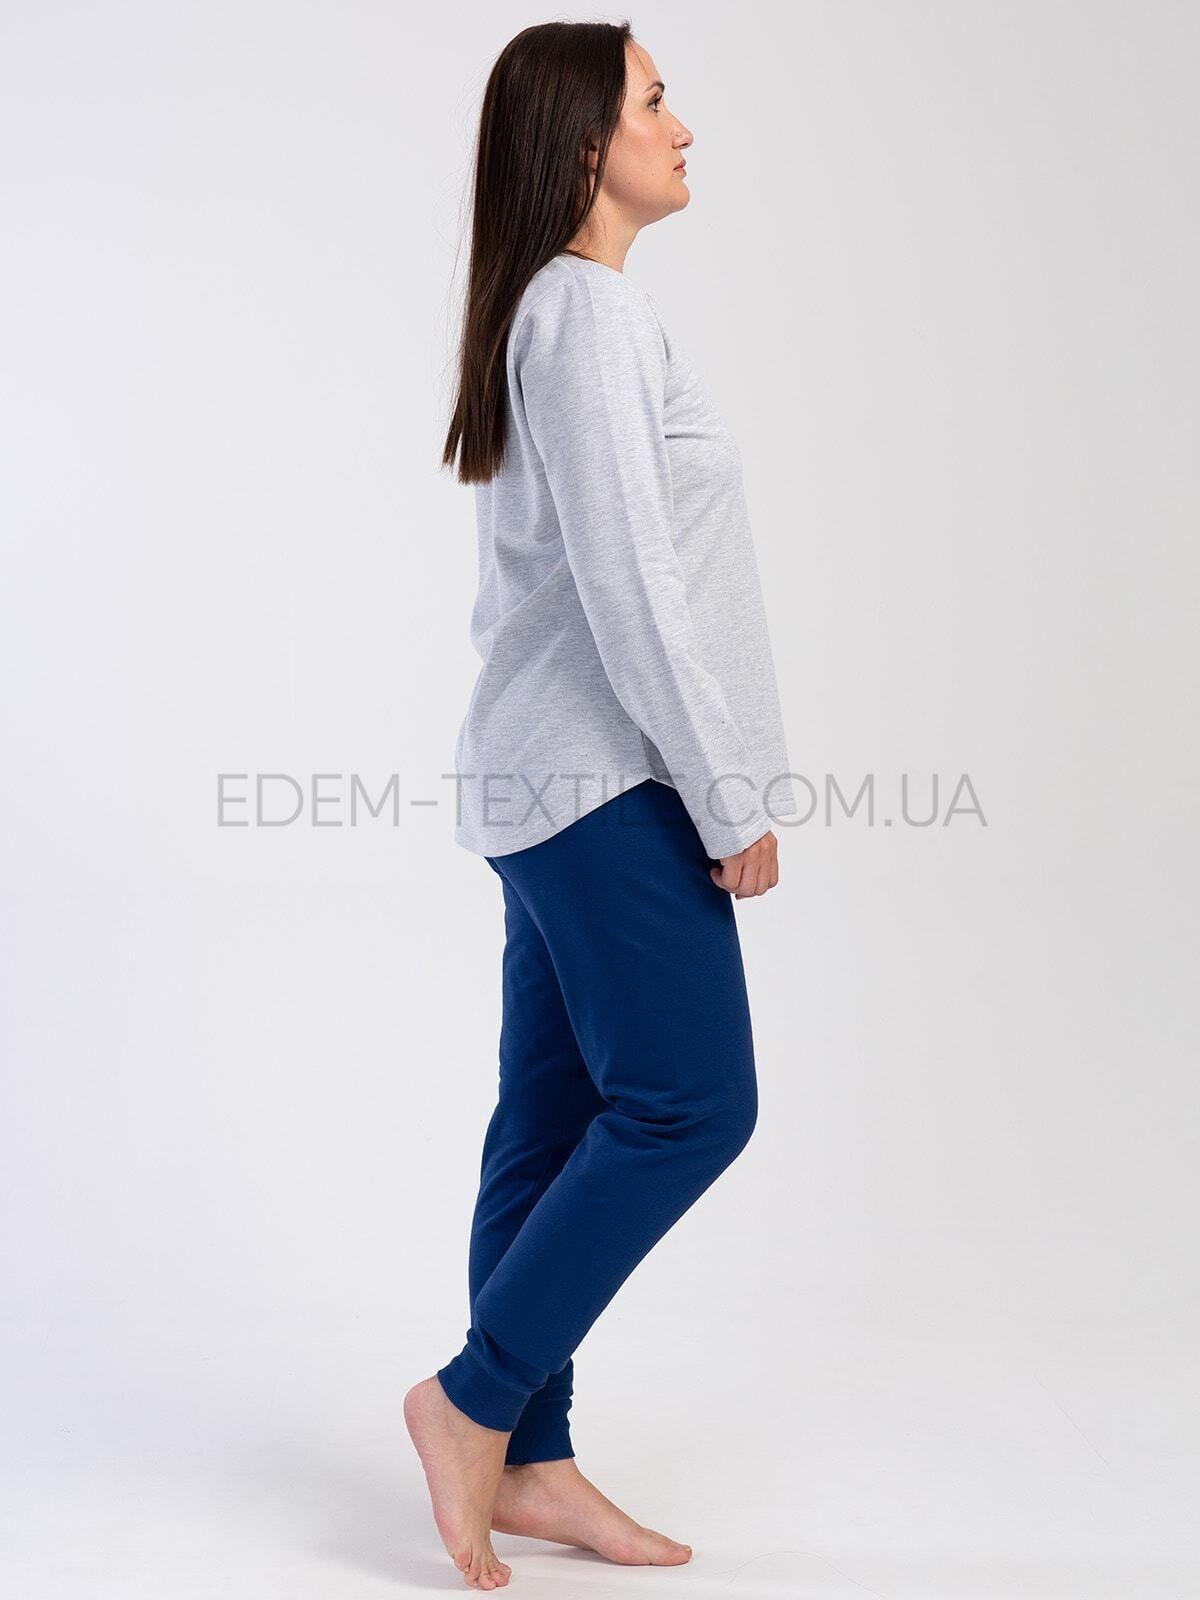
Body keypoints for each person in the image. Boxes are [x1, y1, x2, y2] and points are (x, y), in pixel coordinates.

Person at [405, 20, 797, 1590]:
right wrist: (727, 794)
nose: (683, 127)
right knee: (695, 1103)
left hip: (551, 778)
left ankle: (530, 1459)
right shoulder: (581, 316)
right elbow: (636, 592)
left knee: (556, 1119)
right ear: (585, 142)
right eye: (654, 99)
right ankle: (474, 1401)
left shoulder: (565, 313)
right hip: (605, 780)